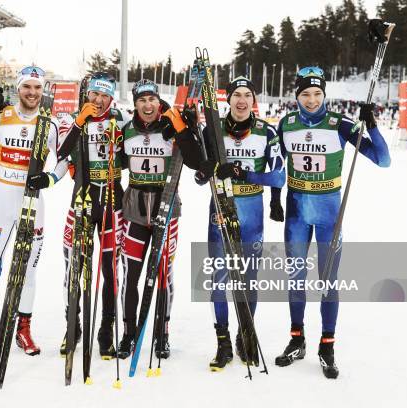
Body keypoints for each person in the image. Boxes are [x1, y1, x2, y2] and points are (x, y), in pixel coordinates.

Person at [274, 67, 390, 379]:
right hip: (297, 212)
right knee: (296, 278)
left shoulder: (340, 125)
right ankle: (296, 339)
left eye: (316, 94)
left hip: (328, 215)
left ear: (324, 94)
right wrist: (273, 198)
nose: (311, 100)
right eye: (305, 94)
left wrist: (372, 125)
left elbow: (383, 159)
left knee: (328, 280)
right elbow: (274, 165)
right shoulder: (286, 124)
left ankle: (327, 345)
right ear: (296, 96)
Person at [0, 66, 69, 362]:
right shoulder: (0, 118)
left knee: (29, 273)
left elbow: (64, 161)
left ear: (43, 91)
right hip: (0, 203)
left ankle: (23, 329)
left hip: (32, 204)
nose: (32, 93)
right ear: (18, 88)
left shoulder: (48, 125)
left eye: (37, 88)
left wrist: (51, 179)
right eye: (27, 87)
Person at [117, 79, 212, 359]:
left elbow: (195, 160)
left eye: (152, 100)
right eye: (142, 100)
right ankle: (128, 333)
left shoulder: (172, 127)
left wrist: (184, 128)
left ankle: (162, 332)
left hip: (166, 204)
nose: (148, 105)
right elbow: (115, 161)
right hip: (134, 208)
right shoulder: (127, 130)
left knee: (163, 275)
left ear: (159, 102)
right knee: (131, 275)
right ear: (135, 104)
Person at [196, 76, 285, 370]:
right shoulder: (213, 129)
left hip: (252, 211)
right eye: (237, 95)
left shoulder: (266, 131)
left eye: (247, 95)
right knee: (219, 278)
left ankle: (244, 334)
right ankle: (222, 343)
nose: (242, 100)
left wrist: (241, 173)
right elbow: (201, 169)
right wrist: (203, 171)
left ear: (253, 100)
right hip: (220, 208)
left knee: (249, 280)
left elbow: (278, 177)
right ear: (228, 99)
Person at [56, 72, 127, 359]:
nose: (99, 101)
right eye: (95, 94)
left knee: (110, 270)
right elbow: (61, 153)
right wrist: (78, 122)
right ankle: (72, 325)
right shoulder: (71, 118)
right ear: (87, 94)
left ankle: (106, 331)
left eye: (105, 96)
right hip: (82, 198)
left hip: (112, 199)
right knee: (75, 266)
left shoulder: (120, 119)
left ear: (111, 97)